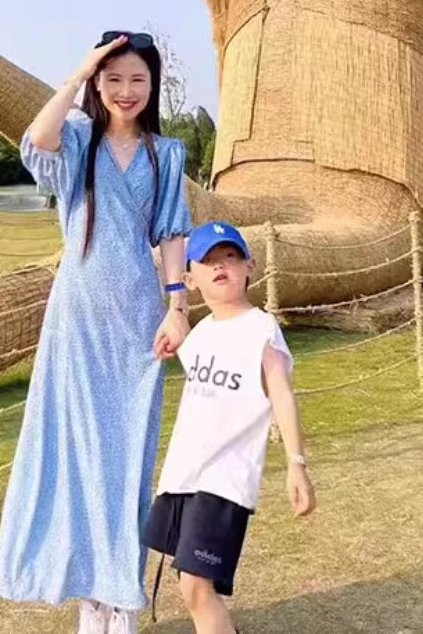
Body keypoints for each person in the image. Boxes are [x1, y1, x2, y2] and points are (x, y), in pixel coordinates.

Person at [0, 31, 193, 634]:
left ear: (152, 85)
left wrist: (177, 307)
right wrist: (78, 73)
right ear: (97, 84)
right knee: (76, 454)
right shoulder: (78, 138)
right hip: (75, 321)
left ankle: (121, 598)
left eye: (137, 79)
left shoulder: (167, 152)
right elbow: (37, 140)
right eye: (113, 78)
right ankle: (89, 597)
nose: (126, 91)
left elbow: (173, 233)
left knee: (129, 457)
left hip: (136, 320)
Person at [144, 221, 316, 634]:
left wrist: (296, 463)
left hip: (225, 481)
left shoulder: (261, 328)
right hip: (184, 476)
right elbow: (179, 349)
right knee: (190, 583)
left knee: (197, 588)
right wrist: (173, 332)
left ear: (249, 266)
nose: (221, 266)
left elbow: (281, 393)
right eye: (208, 260)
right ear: (191, 277)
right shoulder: (201, 333)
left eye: (230, 256)